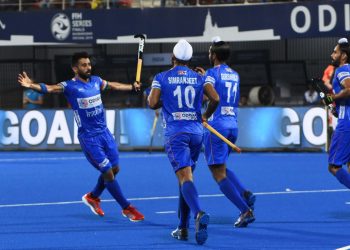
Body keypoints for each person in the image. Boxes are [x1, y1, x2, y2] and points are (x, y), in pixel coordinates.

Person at [18, 51, 144, 222]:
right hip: (89, 138)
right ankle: (127, 208)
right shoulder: (69, 86)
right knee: (107, 172)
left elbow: (114, 85)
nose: (88, 67)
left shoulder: (96, 81)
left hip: (105, 134)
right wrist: (31, 85)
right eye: (84, 65)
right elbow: (50, 88)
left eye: (89, 64)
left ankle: (93, 196)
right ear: (75, 68)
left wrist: (131, 86)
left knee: (115, 169)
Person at [148, 39, 219, 245]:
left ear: (173, 58)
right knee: (186, 177)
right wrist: (205, 115)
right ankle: (182, 228)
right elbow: (215, 98)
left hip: (176, 133)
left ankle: (198, 214)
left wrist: (165, 100)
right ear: (189, 61)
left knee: (185, 177)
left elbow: (152, 103)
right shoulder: (199, 77)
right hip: (197, 133)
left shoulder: (161, 77)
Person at [197, 37, 255, 228]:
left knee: (217, 173)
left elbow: (211, 97)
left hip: (217, 126)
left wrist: (205, 115)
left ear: (213, 55)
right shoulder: (235, 74)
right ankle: (244, 193)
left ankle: (244, 210)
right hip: (232, 126)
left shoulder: (212, 74)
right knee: (220, 166)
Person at [326, 38, 350, 191]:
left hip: (346, 124)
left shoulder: (342, 71)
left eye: (335, 52)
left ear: (343, 56)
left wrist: (332, 98)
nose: (331, 55)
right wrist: (336, 107)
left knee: (333, 166)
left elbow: (349, 89)